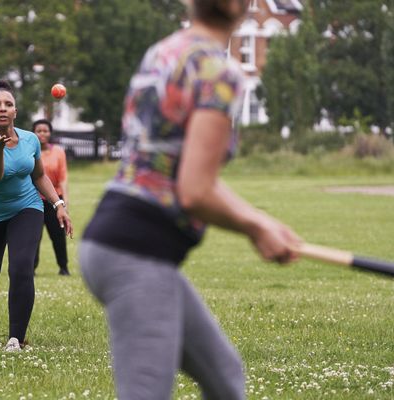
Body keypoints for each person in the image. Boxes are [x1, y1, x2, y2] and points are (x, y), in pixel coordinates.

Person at [79, 0, 301, 398]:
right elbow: (195, 190)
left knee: (225, 378)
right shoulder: (219, 71)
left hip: (114, 239)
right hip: (136, 251)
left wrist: (258, 221)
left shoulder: (162, 51)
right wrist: (256, 225)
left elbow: (176, 171)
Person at [0, 79, 73, 351]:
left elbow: (39, 175)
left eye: (8, 104)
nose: (2, 108)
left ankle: (16, 338)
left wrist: (58, 204)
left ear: (15, 111)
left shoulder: (30, 140)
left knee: (22, 268)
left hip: (27, 207)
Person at [32, 119, 70, 276]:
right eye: (38, 130)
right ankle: (31, 269)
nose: (42, 133)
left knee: (58, 236)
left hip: (54, 199)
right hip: (34, 199)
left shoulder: (59, 152)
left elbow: (63, 178)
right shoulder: (30, 150)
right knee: (33, 237)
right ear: (33, 133)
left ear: (50, 133)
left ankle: (63, 267)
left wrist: (64, 202)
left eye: (45, 130)